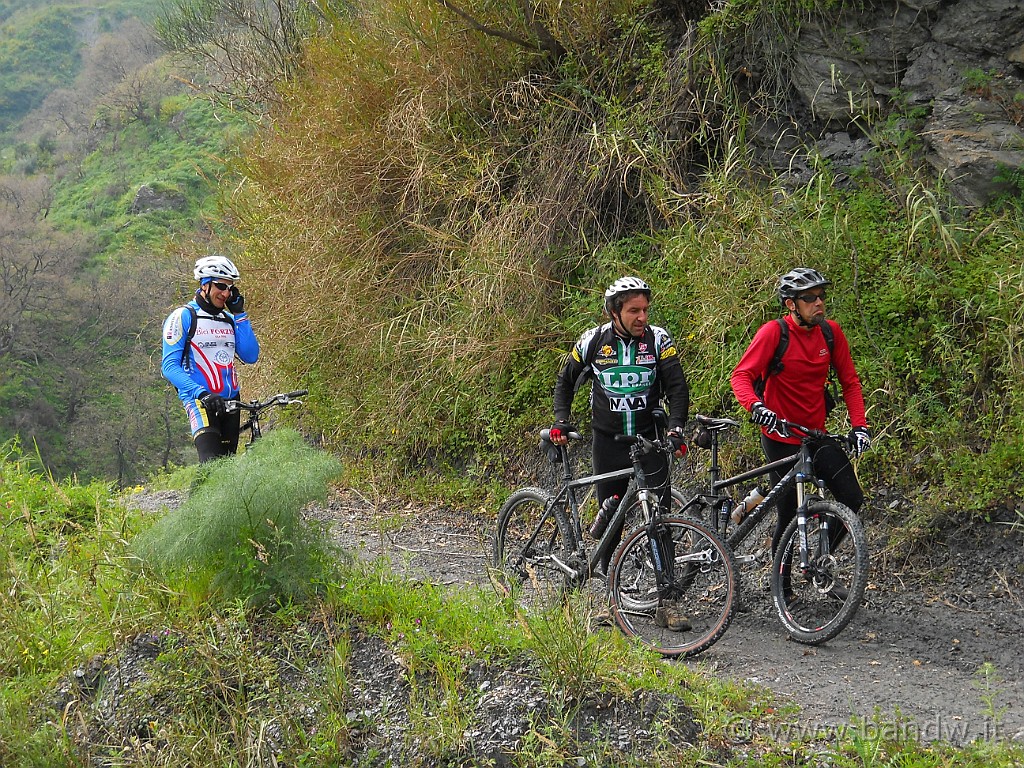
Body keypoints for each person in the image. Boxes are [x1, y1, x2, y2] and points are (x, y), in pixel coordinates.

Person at [550, 276, 691, 631]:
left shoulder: (659, 340)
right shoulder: (594, 340)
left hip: (649, 441)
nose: (642, 316)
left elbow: (677, 387)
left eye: (645, 309)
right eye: (634, 310)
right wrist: (562, 421)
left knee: (659, 521)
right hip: (608, 443)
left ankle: (667, 603)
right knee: (611, 522)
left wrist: (675, 428)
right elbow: (565, 381)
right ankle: (611, 601)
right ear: (614, 312)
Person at [730, 267, 871, 555]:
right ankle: (782, 590)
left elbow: (850, 383)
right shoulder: (774, 333)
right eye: (810, 298)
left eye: (821, 296)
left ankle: (821, 561)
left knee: (852, 497)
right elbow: (741, 376)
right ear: (791, 304)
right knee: (789, 512)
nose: (819, 303)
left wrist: (860, 426)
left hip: (814, 433)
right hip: (779, 435)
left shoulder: (830, 333)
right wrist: (757, 406)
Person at [162, 255, 260, 462]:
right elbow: (169, 367)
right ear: (204, 285)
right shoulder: (183, 316)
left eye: (230, 288)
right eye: (220, 286)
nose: (225, 293)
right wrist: (202, 393)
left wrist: (240, 314)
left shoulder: (229, 320)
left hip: (232, 400)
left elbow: (251, 356)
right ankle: (198, 496)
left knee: (226, 466)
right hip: (200, 401)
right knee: (210, 463)